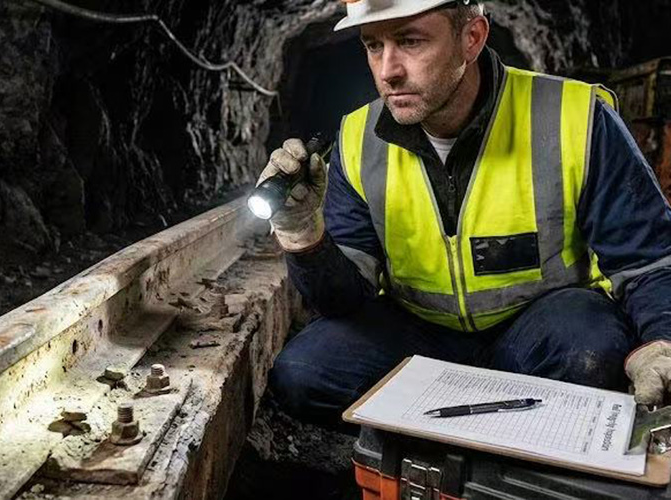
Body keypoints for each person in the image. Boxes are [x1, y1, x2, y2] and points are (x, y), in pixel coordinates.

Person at [258, 0, 671, 429]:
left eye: (410, 41)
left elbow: (648, 259)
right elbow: (344, 300)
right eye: (373, 46)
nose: (388, 71)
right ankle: (492, 431)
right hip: (419, 332)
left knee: (594, 353)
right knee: (303, 374)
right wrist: (304, 236)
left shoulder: (574, 117)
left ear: (471, 38)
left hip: (540, 326)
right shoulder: (359, 139)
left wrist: (662, 341)